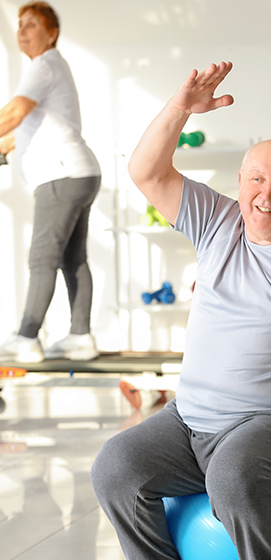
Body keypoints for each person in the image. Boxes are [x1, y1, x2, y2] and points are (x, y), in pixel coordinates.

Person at [90, 62, 271, 560]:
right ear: (240, 181)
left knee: (233, 479)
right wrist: (180, 108)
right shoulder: (216, 221)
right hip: (190, 420)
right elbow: (145, 170)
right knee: (116, 467)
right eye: (256, 179)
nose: (266, 195)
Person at [0, 1, 101, 363]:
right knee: (72, 259)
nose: (22, 31)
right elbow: (23, 132)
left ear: (51, 33)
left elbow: (13, 114)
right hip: (79, 172)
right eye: (19, 25)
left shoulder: (43, 65)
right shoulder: (51, 68)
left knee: (42, 257)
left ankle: (26, 338)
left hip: (62, 175)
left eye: (31, 24)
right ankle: (80, 336)